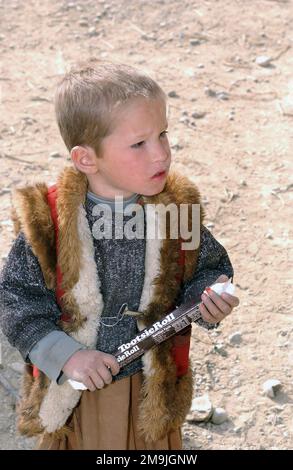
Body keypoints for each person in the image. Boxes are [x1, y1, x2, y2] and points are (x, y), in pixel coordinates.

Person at [0, 60, 239, 450]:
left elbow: (208, 267)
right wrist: (66, 355)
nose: (161, 153)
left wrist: (209, 295)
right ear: (87, 159)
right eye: (139, 144)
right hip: (81, 392)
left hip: (152, 387)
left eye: (163, 134)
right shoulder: (50, 222)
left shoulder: (174, 211)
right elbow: (16, 299)